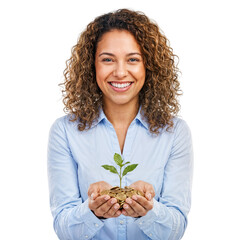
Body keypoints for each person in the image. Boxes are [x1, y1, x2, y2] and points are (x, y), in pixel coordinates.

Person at [47, 8, 193, 240]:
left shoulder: (174, 132)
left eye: (133, 59)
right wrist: (92, 210)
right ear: (91, 65)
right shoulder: (65, 131)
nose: (120, 72)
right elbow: (64, 229)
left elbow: (175, 230)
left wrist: (149, 209)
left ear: (149, 66)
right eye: (107, 60)